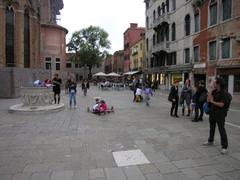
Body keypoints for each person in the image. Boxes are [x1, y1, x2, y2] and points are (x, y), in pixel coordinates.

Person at [203, 77, 229, 154]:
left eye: (215, 83)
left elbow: (222, 104)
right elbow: (208, 100)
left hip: (220, 114)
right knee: (212, 128)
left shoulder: (224, 93)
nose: (213, 83)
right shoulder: (214, 91)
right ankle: (210, 140)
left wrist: (213, 101)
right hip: (212, 112)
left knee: (221, 129)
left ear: (218, 84)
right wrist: (210, 91)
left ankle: (224, 147)